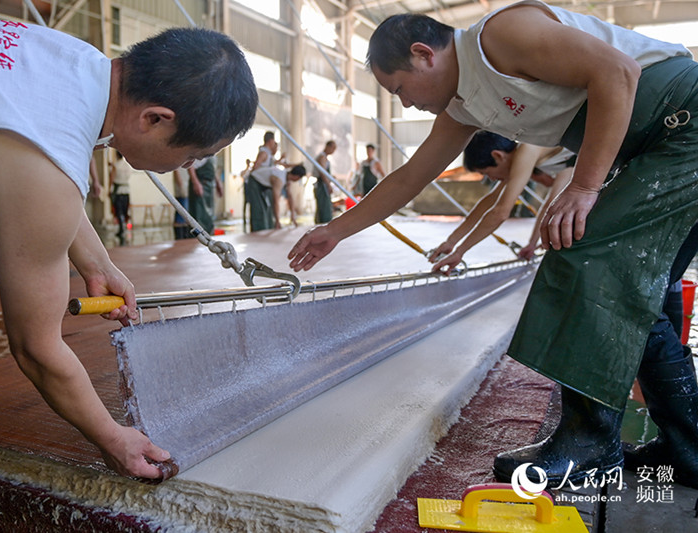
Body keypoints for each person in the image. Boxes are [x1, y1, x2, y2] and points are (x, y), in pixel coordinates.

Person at [288, 1, 698, 488]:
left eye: (398, 88)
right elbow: (409, 178)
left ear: (424, 55)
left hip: (682, 123)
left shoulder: (500, 35)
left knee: (586, 263)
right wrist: (335, 230)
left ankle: (590, 442)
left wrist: (585, 187)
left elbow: (618, 70)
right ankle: (685, 449)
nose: (403, 104)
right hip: (657, 143)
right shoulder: (463, 105)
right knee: (634, 293)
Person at [0, 14, 257, 532]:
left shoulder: (76, 63)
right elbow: (37, 350)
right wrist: (113, 436)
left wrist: (96, 259)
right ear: (155, 119)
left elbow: (43, 171)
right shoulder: (46, 164)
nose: (187, 169)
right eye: (194, 154)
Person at [428, 131, 574, 266]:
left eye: (486, 172)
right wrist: (451, 241)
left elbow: (501, 212)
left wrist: (460, 252)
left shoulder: (527, 150)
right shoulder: (520, 158)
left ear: (498, 156)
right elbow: (489, 201)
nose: (491, 178)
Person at [246, 165, 307, 231]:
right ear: (297, 176)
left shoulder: (287, 178)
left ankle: (267, 228)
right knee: (259, 209)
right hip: (254, 181)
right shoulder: (279, 179)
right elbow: (276, 201)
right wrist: (277, 221)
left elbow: (290, 197)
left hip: (263, 185)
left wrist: (292, 215)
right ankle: (258, 232)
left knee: (267, 209)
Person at [188, 155, 223, 234]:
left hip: (209, 186)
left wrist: (218, 182)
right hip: (200, 183)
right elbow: (190, 166)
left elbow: (213, 169)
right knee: (199, 216)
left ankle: (208, 239)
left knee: (208, 218)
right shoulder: (200, 146)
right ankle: (196, 243)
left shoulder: (214, 151)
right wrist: (195, 182)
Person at [109, 152, 133, 245]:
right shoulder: (127, 165)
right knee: (125, 210)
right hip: (126, 190)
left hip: (118, 190)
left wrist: (109, 190)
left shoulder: (116, 166)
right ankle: (125, 227)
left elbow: (112, 178)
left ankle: (121, 228)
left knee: (118, 211)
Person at [314, 140, 337, 223]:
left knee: (326, 207)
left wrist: (331, 177)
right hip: (322, 185)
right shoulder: (322, 157)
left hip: (323, 184)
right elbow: (322, 173)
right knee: (323, 208)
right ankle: (322, 225)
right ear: (328, 146)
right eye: (333, 148)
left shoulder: (324, 157)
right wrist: (328, 185)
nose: (334, 150)